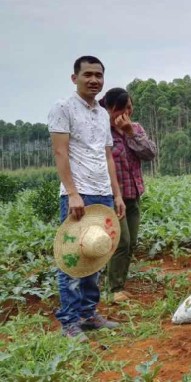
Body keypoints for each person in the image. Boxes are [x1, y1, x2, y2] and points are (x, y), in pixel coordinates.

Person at [48, 56, 125, 342]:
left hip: (103, 192)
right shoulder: (63, 108)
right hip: (78, 194)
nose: (94, 80)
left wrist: (116, 194)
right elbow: (60, 153)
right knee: (71, 258)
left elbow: (108, 155)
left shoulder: (103, 113)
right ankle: (69, 321)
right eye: (88, 74)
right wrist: (72, 193)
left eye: (98, 75)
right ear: (74, 78)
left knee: (96, 254)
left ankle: (89, 313)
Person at [100, 87, 157, 303]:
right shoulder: (102, 132)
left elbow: (150, 153)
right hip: (113, 196)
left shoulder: (135, 128)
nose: (128, 114)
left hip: (133, 194)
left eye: (130, 108)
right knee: (121, 241)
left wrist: (130, 132)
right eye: (123, 109)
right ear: (110, 109)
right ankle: (113, 289)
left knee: (131, 241)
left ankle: (117, 284)